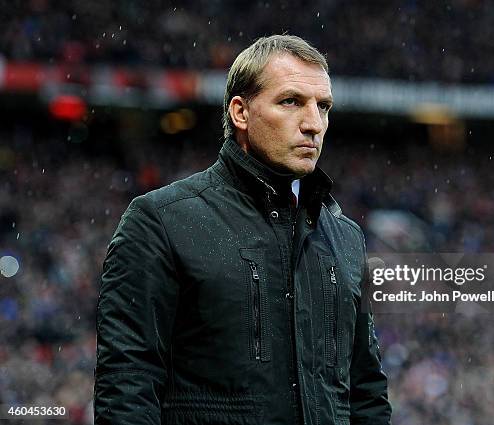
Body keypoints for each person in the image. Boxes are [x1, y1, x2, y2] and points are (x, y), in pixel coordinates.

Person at [94, 34, 391, 425]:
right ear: (241, 112)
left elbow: (365, 394)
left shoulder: (345, 237)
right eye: (291, 102)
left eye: (324, 107)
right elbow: (127, 387)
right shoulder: (161, 222)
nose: (314, 124)